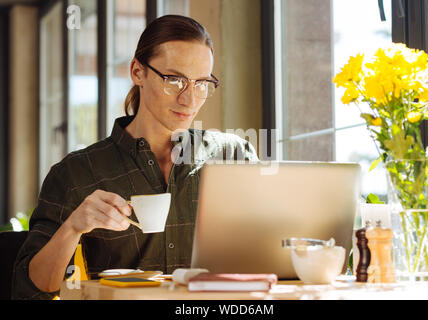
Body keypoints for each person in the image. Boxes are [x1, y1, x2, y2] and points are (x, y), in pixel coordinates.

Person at [12, 15, 258, 300]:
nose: (190, 100)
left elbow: (273, 251)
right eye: (174, 80)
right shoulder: (75, 174)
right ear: (137, 72)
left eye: (202, 83)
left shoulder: (234, 157)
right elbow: (29, 289)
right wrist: (73, 227)